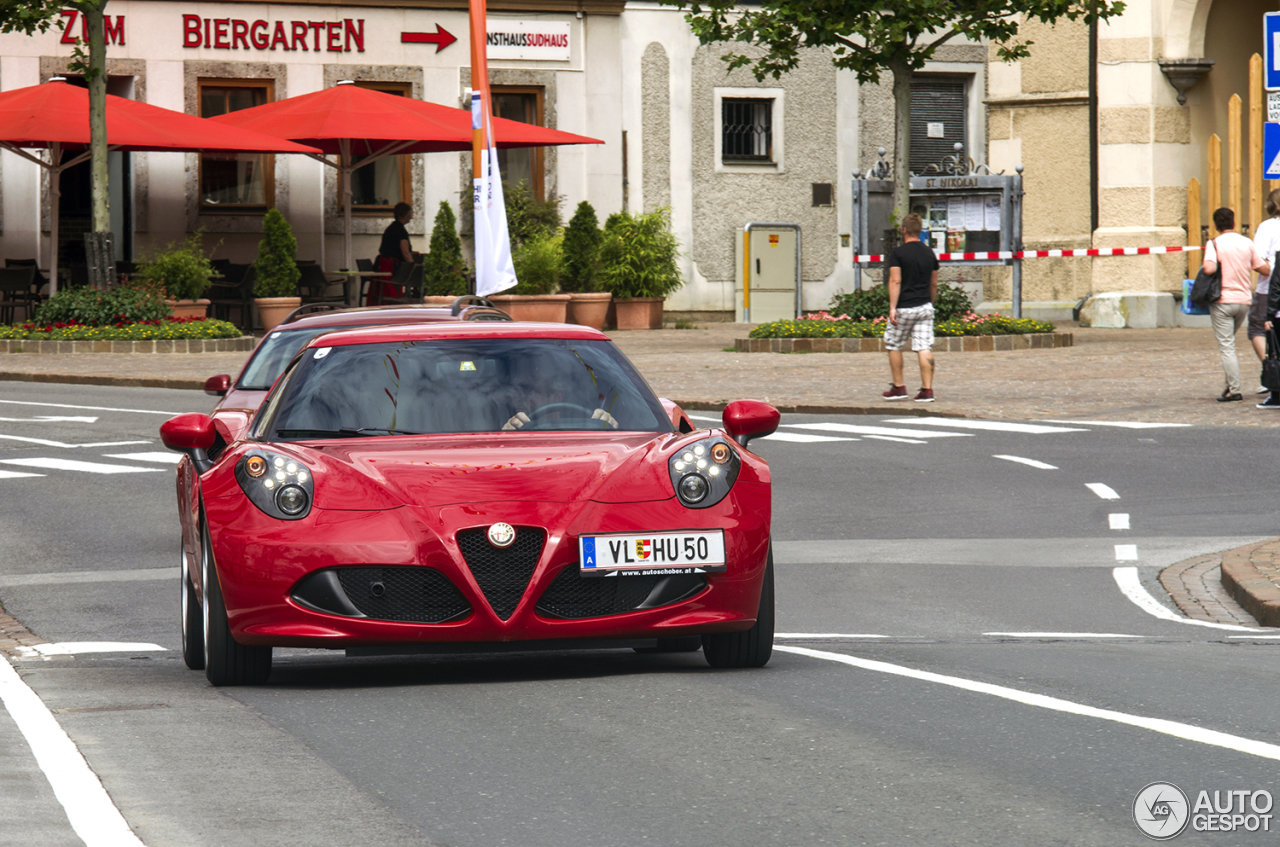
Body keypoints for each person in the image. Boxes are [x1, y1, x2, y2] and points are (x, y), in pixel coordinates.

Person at [1202, 207, 1270, 402]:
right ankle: (1228, 386)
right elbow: (1263, 269)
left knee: (1226, 346)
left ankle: (1234, 389)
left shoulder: (1214, 243)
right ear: (1234, 223)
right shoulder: (1246, 242)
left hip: (1223, 301)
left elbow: (1209, 267)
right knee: (1228, 343)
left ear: (1215, 225)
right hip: (1244, 301)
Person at [881, 212, 940, 402]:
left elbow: (895, 281)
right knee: (924, 346)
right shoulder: (929, 253)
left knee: (893, 344)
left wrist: (892, 307)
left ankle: (899, 386)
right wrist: (930, 301)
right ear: (920, 231)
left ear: (904, 230)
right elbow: (933, 283)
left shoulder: (898, 254)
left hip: (904, 307)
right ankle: (927, 390)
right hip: (924, 307)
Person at [1250, 190, 1280, 394]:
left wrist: (1266, 270)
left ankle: (1272, 372)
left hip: (1269, 288)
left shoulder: (1268, 226)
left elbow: (1257, 259)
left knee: (1258, 329)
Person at [367, 202, 415, 306]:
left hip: (383, 263)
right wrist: (413, 266)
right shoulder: (400, 230)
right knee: (390, 293)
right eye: (409, 215)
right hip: (389, 266)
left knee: (381, 291)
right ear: (402, 215)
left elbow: (395, 248)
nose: (410, 218)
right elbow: (405, 252)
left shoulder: (391, 228)